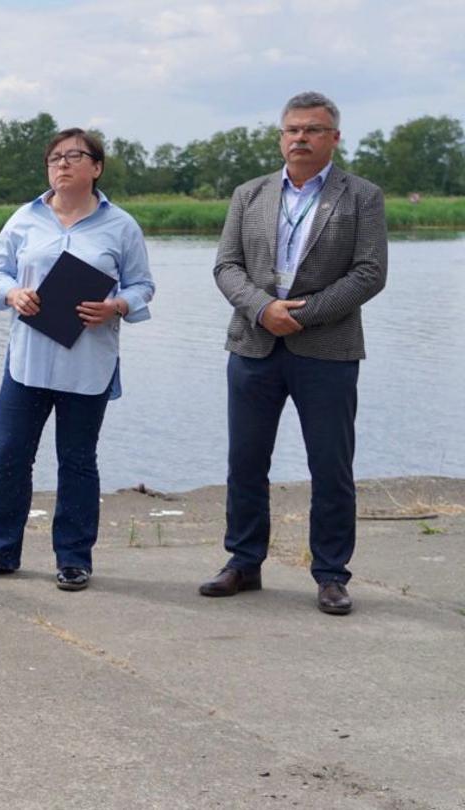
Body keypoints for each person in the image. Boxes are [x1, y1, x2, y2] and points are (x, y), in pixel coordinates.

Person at [202, 91, 387, 615]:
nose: (300, 138)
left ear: (333, 138)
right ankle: (243, 562)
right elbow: (226, 266)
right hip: (254, 344)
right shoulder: (249, 194)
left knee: (331, 465)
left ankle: (331, 574)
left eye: (312, 130)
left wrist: (300, 314)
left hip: (327, 349)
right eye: (292, 130)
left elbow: (370, 273)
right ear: (281, 137)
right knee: (245, 461)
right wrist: (264, 309)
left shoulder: (362, 196)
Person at [0, 128, 155, 592]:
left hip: (88, 363)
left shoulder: (120, 225)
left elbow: (142, 285)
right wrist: (12, 292)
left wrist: (116, 307)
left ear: (97, 167)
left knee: (77, 462)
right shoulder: (25, 218)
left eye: (74, 156)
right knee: (10, 459)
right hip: (28, 360)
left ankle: (73, 559)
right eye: (54, 157)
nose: (62, 164)